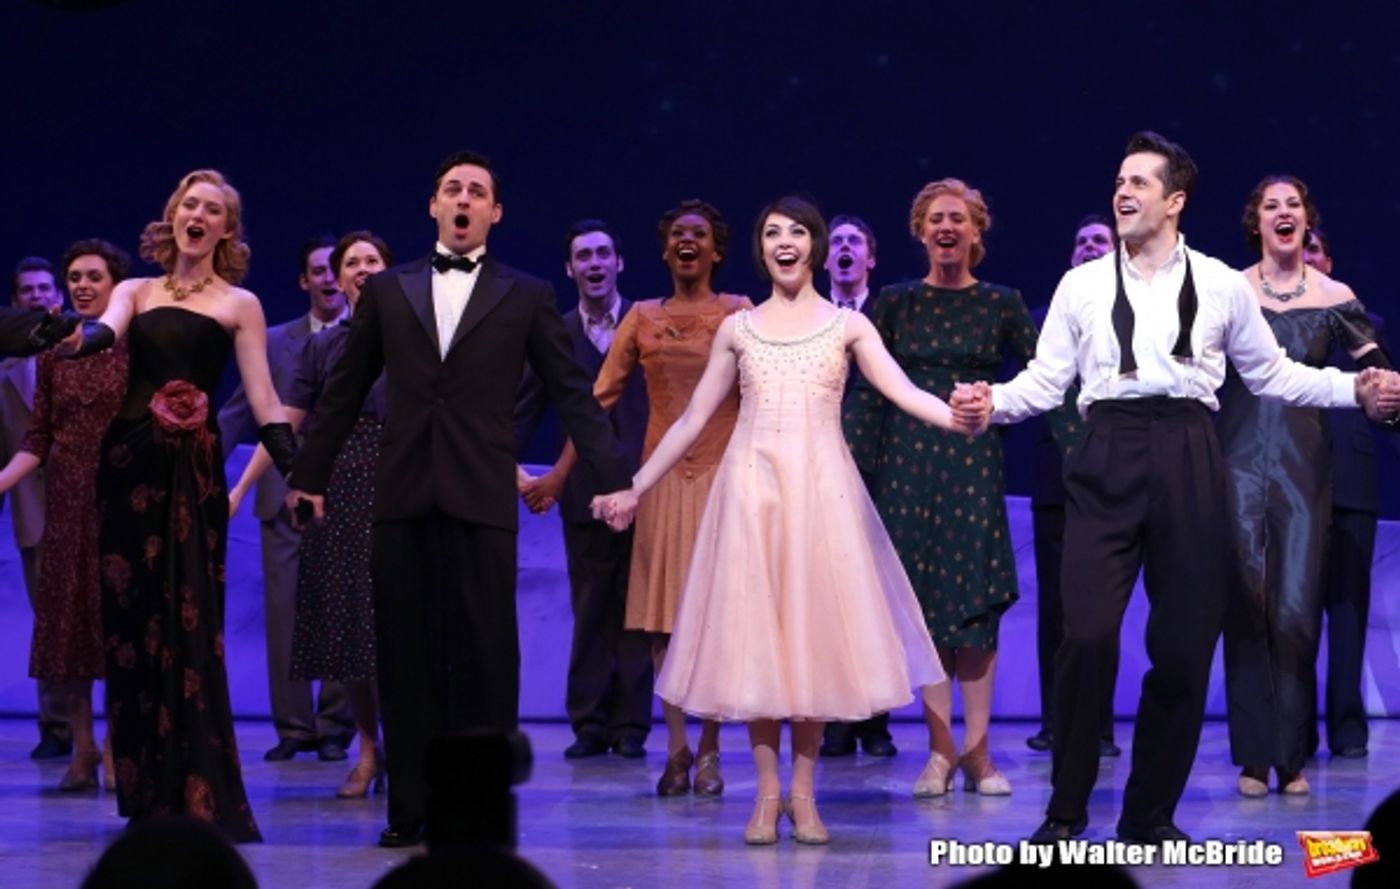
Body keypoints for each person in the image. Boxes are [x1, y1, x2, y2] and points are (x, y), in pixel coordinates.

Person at [953, 131, 1400, 845]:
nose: (1122, 192)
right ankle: (1065, 809)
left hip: (1193, 451)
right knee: (1088, 633)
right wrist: (991, 403)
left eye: (1138, 182)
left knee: (1186, 645)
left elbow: (1275, 376)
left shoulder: (1222, 283)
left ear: (1175, 200)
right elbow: (1045, 380)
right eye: (1118, 181)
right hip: (1108, 451)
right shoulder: (1084, 284)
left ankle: (1149, 815)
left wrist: (1356, 386)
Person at [592, 196, 966, 845]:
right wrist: (635, 486)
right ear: (761, 249)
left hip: (822, 497)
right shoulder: (741, 328)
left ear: (816, 246)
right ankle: (766, 796)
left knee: (812, 648)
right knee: (760, 650)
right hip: (752, 495)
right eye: (772, 233)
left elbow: (902, 391)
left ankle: (803, 794)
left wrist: (961, 416)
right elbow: (690, 420)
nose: (784, 242)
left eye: (797, 232)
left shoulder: (846, 325)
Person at [284, 151, 631, 848]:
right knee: (405, 656)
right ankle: (408, 806)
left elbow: (573, 393)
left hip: (479, 492)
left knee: (485, 657)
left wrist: (614, 475)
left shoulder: (526, 295)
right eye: (452, 189)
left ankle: (475, 808)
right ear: (434, 206)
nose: (464, 199)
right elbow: (345, 391)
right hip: (403, 493)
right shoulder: (390, 291)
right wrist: (307, 476)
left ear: (495, 212)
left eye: (478, 190)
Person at [62, 168, 300, 842]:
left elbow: (263, 401)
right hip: (129, 463)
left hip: (192, 475)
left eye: (214, 209)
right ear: (173, 216)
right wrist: (70, 336)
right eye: (190, 204)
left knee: (190, 622)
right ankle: (144, 790)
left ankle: (197, 790)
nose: (200, 214)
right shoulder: (135, 290)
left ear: (227, 228)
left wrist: (300, 475)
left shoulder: (240, 303)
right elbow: (104, 332)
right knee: (133, 626)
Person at [532, 200, 750, 797]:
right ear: (663, 249)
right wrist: (556, 476)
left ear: (716, 249)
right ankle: (676, 748)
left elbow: (767, 393)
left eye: (699, 234)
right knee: (663, 624)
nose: (688, 241)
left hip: (723, 481)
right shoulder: (643, 317)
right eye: (677, 234)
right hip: (659, 481)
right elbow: (594, 403)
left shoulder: (738, 313)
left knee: (718, 620)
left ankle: (710, 751)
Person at [844, 178, 1052, 798]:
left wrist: (1079, 440)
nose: (946, 228)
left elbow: (1045, 378)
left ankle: (980, 753)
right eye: (936, 218)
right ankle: (938, 752)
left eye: (958, 219)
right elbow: (869, 394)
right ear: (919, 230)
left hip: (971, 462)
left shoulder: (1002, 303)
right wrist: (847, 468)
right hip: (908, 467)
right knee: (926, 614)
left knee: (975, 611)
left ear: (976, 230)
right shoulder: (895, 303)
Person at [1220, 177, 1392, 797]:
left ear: (1306, 219)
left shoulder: (1335, 295)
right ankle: (1253, 757)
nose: (1284, 213)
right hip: (1236, 458)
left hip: (1303, 465)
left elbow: (1375, 371)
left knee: (1294, 606)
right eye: (1272, 205)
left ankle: (1291, 757)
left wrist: (1385, 394)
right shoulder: (1230, 290)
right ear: (1257, 221)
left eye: (1293, 205)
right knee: (1248, 604)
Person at [231, 230, 394, 798]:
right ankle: (369, 749)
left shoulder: (416, 338)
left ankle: (412, 748)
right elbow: (283, 423)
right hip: (341, 488)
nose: (362, 269)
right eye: (352, 262)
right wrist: (239, 491)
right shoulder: (321, 348)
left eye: (373, 260)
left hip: (403, 483)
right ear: (338, 276)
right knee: (351, 634)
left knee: (402, 628)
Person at [513, 220, 654, 760]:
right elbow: (522, 410)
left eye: (602, 254)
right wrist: (511, 468)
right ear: (569, 269)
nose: (594, 264)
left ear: (619, 262)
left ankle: (632, 726)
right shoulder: (556, 332)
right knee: (591, 607)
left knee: (637, 611)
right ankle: (590, 723)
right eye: (583, 257)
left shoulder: (646, 326)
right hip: (581, 495)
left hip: (643, 486)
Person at [0, 240, 130, 792]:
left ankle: (118, 748)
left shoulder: (132, 348)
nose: (81, 285)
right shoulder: (53, 356)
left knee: (119, 627)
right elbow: (38, 437)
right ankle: (82, 746)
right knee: (69, 630)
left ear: (114, 284)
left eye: (92, 276)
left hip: (121, 496)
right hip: (68, 501)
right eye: (73, 276)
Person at [218, 236, 353, 764]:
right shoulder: (273, 341)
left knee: (342, 611)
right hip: (280, 494)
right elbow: (237, 412)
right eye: (315, 270)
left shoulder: (363, 339)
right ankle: (294, 726)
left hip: (345, 491)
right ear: (304, 281)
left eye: (332, 270)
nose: (325, 279)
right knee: (285, 616)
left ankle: (336, 723)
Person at [1026, 214, 1120, 759]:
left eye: (1098, 242)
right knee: (1055, 608)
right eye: (1081, 242)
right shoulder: (1043, 320)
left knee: (1102, 607)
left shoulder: (1133, 318)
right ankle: (1054, 720)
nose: (1088, 248)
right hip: (1054, 483)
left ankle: (1101, 726)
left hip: (1114, 481)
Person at [1308, 228, 1396, 759]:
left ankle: (1346, 728)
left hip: (1354, 482)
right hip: (1294, 478)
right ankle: (1293, 731)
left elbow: (1390, 404)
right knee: (1292, 614)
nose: (1310, 259)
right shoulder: (1275, 327)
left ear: (1331, 264)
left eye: (1318, 251)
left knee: (1347, 611)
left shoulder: (1369, 327)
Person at [817, 213, 897, 759]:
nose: (844, 249)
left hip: (883, 470)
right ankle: (836, 719)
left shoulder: (889, 315)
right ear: (826, 259)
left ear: (869, 259)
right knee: (828, 595)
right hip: (820, 471)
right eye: (836, 242)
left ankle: (876, 718)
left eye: (854, 242)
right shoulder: (808, 316)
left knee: (879, 597)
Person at [2, 257, 70, 759]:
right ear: (15, 301)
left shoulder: (82, 355)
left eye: (47, 288)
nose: (39, 296)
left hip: (84, 503)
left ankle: (104, 730)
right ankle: (56, 725)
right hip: (34, 511)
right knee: (50, 620)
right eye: (27, 290)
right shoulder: (3, 373)